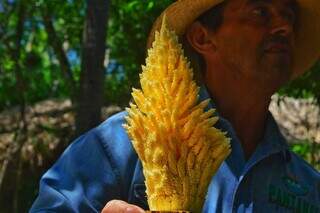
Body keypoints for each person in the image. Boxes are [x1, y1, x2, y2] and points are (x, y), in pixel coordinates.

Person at [30, 0, 320, 212]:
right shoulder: (128, 141)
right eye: (260, 12)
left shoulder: (309, 188)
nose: (284, 26)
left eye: (289, 17)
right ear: (202, 38)